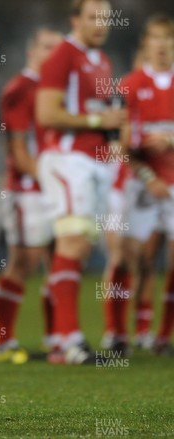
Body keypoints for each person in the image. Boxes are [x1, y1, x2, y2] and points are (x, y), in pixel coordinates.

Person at [36, 0, 127, 364]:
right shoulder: (63, 55)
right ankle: (69, 340)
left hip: (93, 162)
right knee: (72, 243)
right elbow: (46, 113)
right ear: (75, 19)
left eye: (104, 17)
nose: (100, 23)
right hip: (68, 160)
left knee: (81, 248)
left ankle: (62, 340)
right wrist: (97, 120)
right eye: (92, 17)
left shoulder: (100, 60)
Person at [0, 28, 63, 364]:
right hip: (28, 192)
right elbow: (18, 150)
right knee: (23, 262)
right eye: (47, 47)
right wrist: (51, 180)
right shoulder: (20, 89)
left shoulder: (58, 89)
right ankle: (4, 343)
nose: (53, 54)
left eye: (57, 48)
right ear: (32, 49)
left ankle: (56, 339)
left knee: (58, 262)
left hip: (55, 188)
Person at [120, 14, 174, 355]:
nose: (162, 44)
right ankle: (122, 332)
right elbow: (120, 147)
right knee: (133, 260)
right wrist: (147, 175)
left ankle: (162, 336)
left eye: (168, 38)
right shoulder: (130, 85)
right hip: (141, 183)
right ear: (146, 44)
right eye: (156, 38)